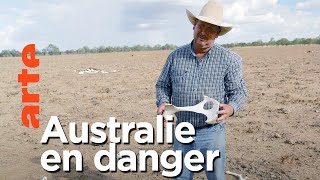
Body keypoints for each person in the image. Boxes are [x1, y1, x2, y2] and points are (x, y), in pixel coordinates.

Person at [155, 0, 247, 179]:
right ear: (194, 26)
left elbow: (239, 91)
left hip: (212, 132)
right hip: (183, 130)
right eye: (201, 26)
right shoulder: (175, 56)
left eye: (211, 28)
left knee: (216, 177)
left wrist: (232, 107)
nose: (204, 32)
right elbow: (162, 85)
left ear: (218, 34)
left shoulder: (230, 60)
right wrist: (163, 101)